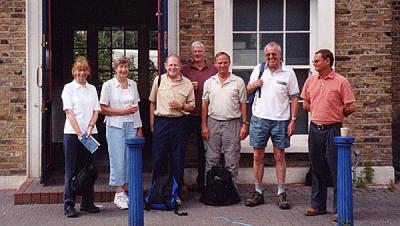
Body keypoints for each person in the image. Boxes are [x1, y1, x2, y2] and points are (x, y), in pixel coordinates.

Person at [301, 49, 356, 217]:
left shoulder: (341, 81)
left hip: (333, 130)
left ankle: (340, 209)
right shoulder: (311, 81)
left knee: (336, 169)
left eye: (317, 61)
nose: (314, 63)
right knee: (317, 168)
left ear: (327, 61)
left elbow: (351, 106)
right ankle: (318, 206)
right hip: (314, 129)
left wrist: (336, 114)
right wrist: (319, 111)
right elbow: (306, 103)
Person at [245, 42, 299, 210]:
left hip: (280, 120)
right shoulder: (259, 69)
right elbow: (247, 90)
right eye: (268, 55)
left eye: (274, 54)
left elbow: (294, 97)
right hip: (259, 119)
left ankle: (281, 192)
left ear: (280, 55)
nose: (271, 57)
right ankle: (258, 191)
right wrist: (254, 85)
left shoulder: (289, 72)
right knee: (257, 156)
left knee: (279, 156)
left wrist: (293, 119)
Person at [149, 54, 195, 202]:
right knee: (159, 158)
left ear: (180, 67)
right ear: (165, 66)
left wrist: (180, 105)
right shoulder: (159, 80)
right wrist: (152, 124)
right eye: (170, 65)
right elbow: (152, 103)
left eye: (176, 65)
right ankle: (157, 192)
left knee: (178, 158)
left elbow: (192, 106)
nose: (173, 68)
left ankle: (176, 194)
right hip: (161, 122)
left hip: (179, 123)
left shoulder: (187, 83)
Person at [99, 56, 143, 210]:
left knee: (130, 158)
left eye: (126, 67)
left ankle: (126, 192)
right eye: (120, 67)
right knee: (117, 158)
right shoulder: (108, 85)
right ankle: (118, 193)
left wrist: (139, 128)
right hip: (114, 126)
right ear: (115, 68)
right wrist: (122, 111)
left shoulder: (133, 84)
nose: (123, 70)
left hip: (131, 125)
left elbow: (136, 108)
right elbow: (103, 109)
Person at [201, 52, 248, 186]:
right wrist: (203, 125)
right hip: (212, 122)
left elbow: (243, 103)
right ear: (215, 64)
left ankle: (231, 189)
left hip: (232, 123)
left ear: (229, 63)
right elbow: (204, 104)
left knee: (231, 158)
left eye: (225, 62)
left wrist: (244, 124)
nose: (222, 65)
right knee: (211, 158)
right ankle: (210, 189)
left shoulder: (238, 81)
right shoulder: (209, 82)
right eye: (219, 62)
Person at [62, 57, 101, 217]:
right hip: (73, 135)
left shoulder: (91, 89)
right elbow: (69, 112)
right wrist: (79, 133)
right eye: (79, 70)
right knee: (71, 169)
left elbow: (96, 111)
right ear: (74, 71)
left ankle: (87, 202)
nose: (82, 73)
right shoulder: (68, 88)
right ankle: (69, 203)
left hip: (91, 134)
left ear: (88, 72)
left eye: (85, 70)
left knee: (90, 170)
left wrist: (90, 128)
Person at [181, 41, 218, 191]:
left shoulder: (214, 70)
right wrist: (188, 87)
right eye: (195, 51)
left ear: (204, 52)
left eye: (199, 51)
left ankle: (203, 182)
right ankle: (180, 183)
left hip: (207, 116)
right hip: (188, 115)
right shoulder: (185, 71)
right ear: (192, 53)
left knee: (205, 150)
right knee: (181, 148)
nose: (197, 54)